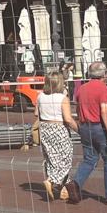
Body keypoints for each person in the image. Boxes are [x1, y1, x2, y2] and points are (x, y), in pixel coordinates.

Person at [72, 60, 107, 205]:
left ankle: (75, 184)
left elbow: (77, 108)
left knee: (89, 159)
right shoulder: (103, 89)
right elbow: (104, 110)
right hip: (100, 128)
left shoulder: (82, 89)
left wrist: (81, 124)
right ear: (105, 74)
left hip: (85, 127)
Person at [36, 72, 79, 201]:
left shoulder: (40, 96)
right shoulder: (62, 98)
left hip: (44, 128)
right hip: (59, 128)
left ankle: (63, 190)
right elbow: (68, 119)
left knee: (51, 159)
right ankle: (51, 180)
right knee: (65, 158)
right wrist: (79, 130)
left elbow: (35, 113)